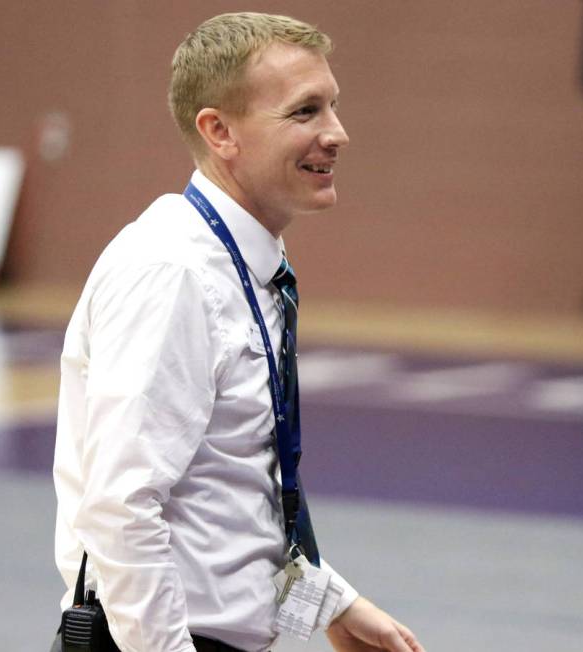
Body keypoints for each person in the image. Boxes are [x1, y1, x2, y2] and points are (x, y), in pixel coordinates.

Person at [51, 12, 424, 652]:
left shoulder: (247, 267)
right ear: (219, 131)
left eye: (332, 106)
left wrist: (331, 602)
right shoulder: (172, 272)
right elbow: (121, 508)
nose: (337, 133)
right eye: (304, 112)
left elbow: (232, 490)